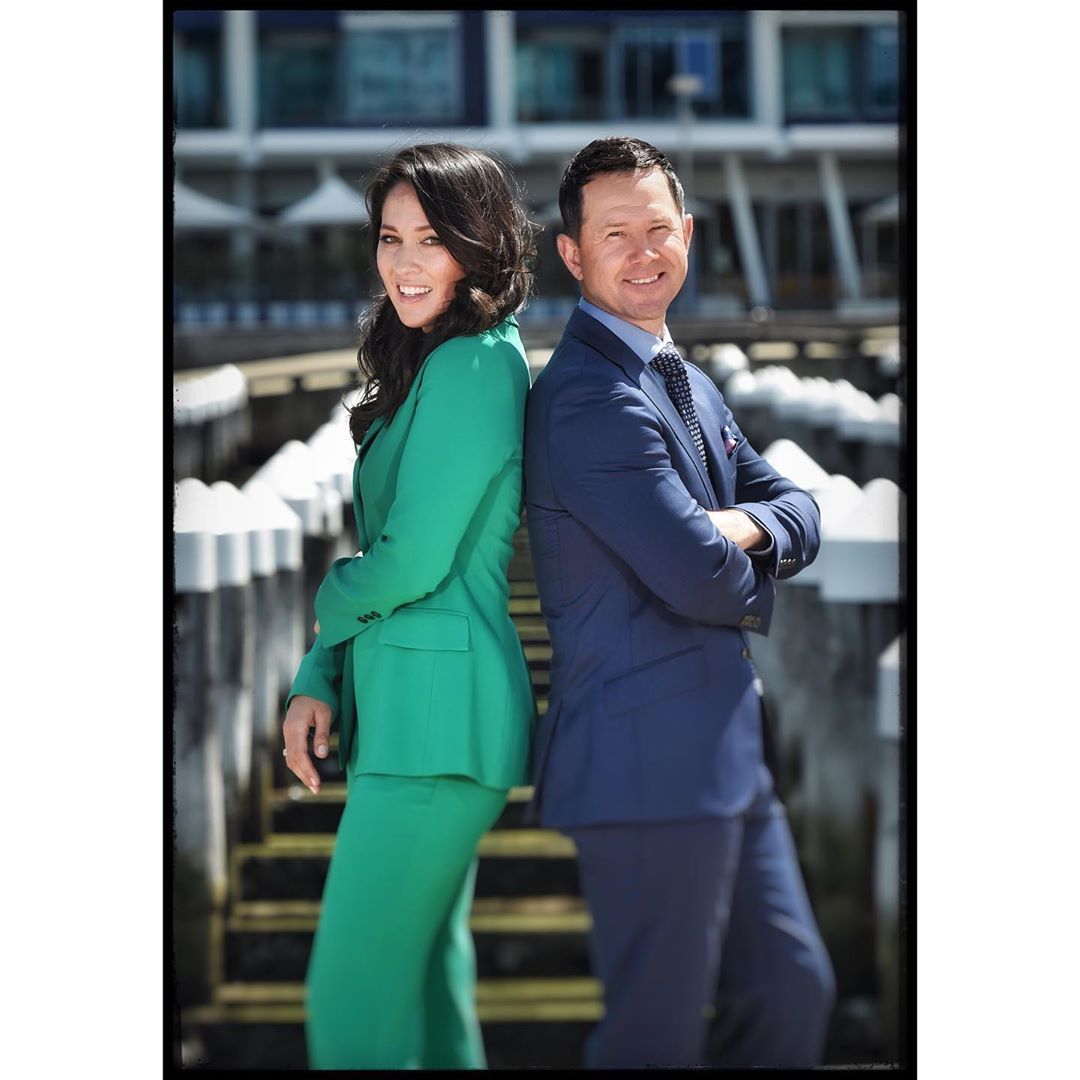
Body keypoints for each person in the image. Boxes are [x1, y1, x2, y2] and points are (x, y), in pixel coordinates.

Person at [522, 136, 836, 1068]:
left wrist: (737, 526)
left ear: (688, 235)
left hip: (727, 757)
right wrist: (751, 543)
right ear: (572, 253)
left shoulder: (684, 379)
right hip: (644, 763)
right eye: (615, 234)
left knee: (791, 992)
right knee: (653, 1037)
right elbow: (699, 576)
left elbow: (800, 507)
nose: (643, 251)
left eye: (658, 228)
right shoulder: (590, 397)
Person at [281, 143, 537, 1070]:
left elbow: (411, 562)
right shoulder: (437, 361)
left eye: (431, 239)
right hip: (412, 718)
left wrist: (325, 598)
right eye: (390, 238)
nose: (404, 262)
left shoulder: (476, 365)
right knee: (428, 994)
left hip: (439, 723)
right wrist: (319, 674)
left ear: (480, 244)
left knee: (350, 1002)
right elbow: (389, 553)